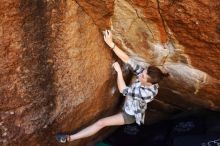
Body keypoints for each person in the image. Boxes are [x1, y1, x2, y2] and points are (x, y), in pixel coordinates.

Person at [56, 30, 168, 143]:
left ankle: (69, 138)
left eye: (143, 76)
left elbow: (123, 90)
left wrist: (119, 72)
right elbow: (127, 60)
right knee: (134, 75)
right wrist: (111, 44)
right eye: (143, 72)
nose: (141, 74)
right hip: (131, 99)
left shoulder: (146, 94)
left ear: (148, 83)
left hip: (129, 114)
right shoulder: (148, 78)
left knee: (101, 123)